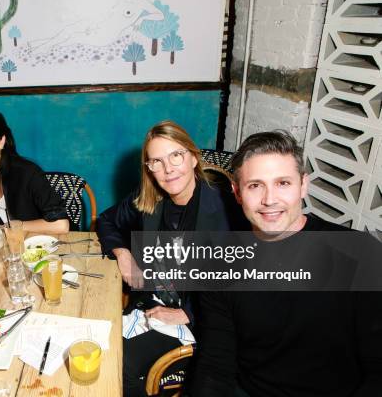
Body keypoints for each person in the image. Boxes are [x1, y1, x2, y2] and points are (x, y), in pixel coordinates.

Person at [191, 131, 382, 396]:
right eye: (255, 185)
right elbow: (215, 364)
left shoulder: (361, 254)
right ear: (236, 192)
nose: (270, 199)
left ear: (303, 185)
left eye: (283, 183)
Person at [97, 120, 247, 396]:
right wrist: (123, 253)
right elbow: (106, 221)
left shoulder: (228, 208)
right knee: (97, 342)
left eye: (176, 155)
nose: (167, 169)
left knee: (120, 364)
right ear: (149, 169)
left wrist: (187, 312)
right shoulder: (151, 199)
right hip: (152, 303)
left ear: (193, 157)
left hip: (203, 322)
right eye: (156, 161)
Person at [0, 108, 69, 233]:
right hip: (12, 248)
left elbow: (61, 225)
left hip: (52, 245)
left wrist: (9, 227)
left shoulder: (26, 173)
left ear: (1, 141)